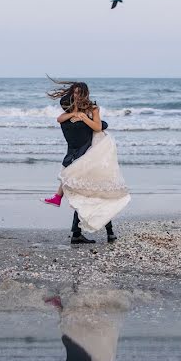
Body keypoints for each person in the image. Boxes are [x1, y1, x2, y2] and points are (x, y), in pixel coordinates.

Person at [44, 79, 130, 244]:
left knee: (95, 194)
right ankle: (83, 233)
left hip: (93, 157)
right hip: (77, 156)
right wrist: (75, 114)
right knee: (84, 195)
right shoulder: (68, 111)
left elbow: (97, 127)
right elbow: (60, 119)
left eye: (80, 93)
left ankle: (102, 232)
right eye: (75, 92)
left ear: (85, 94)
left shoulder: (92, 109)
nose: (77, 96)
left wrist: (83, 117)